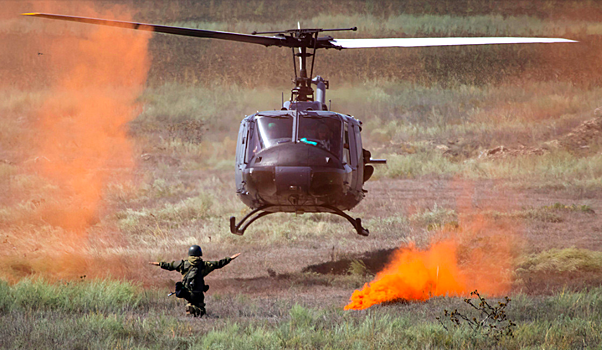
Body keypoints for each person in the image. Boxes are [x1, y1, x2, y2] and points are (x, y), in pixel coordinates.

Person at [149, 245, 240, 317]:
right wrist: (230, 259)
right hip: (198, 292)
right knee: (201, 307)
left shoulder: (183, 264)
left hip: (186, 292)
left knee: (190, 301)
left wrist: (159, 264)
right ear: (200, 253)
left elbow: (169, 266)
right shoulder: (204, 265)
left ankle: (190, 307)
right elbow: (218, 264)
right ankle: (196, 310)